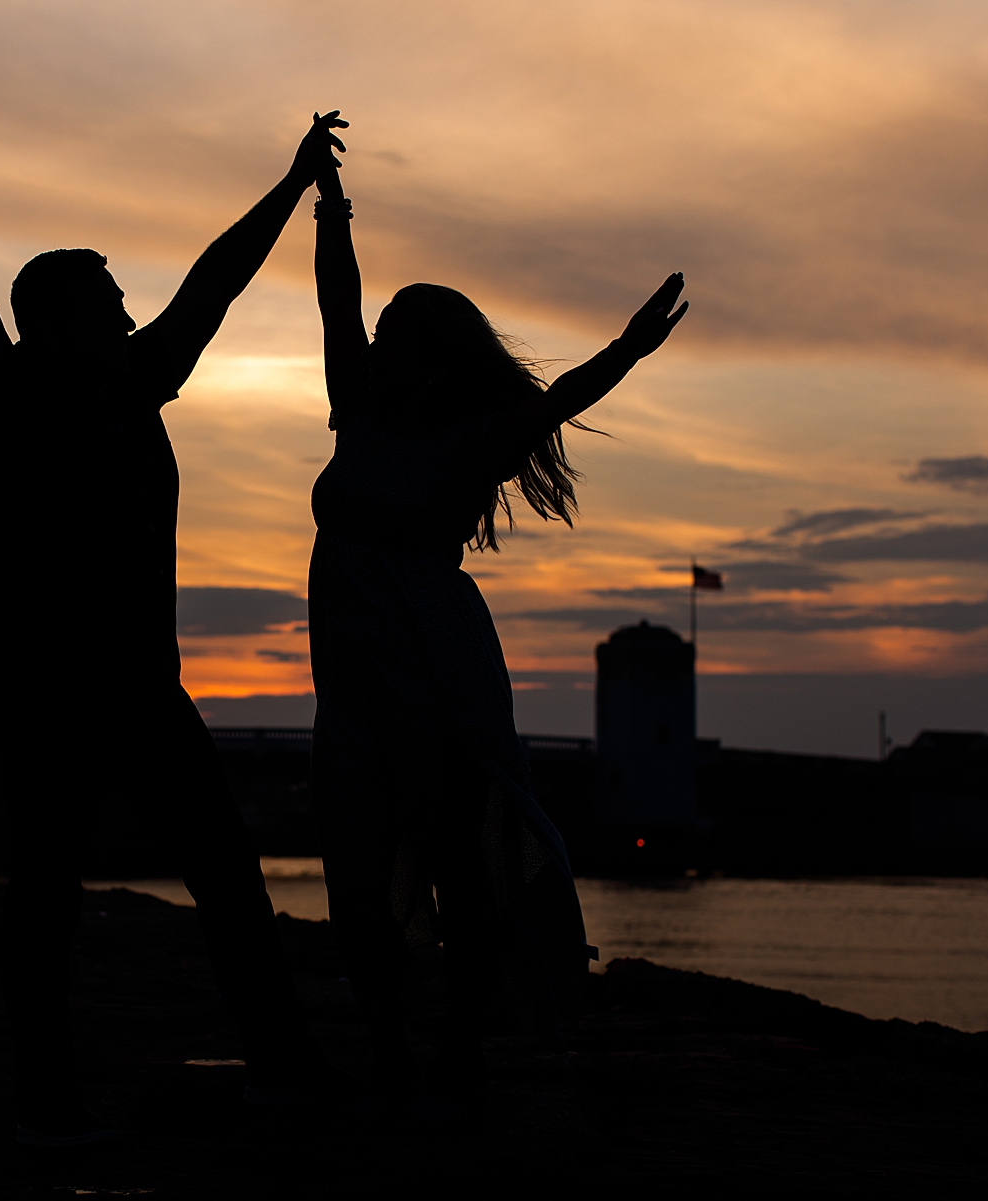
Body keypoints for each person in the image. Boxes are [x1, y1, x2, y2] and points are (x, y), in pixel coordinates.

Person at [0, 78, 345, 1146]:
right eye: (105, 304)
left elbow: (214, 283)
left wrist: (290, 183)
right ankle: (49, 1091)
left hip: (143, 689)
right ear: (52, 324)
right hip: (53, 695)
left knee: (225, 878)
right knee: (47, 891)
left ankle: (281, 1066)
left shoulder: (135, 379)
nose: (128, 316)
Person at [303, 122, 687, 1111]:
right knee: (354, 860)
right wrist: (328, 199)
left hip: (436, 670)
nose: (375, 337)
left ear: (430, 357)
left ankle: (462, 1044)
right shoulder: (360, 408)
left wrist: (630, 348)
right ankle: (389, 1045)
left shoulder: (478, 439)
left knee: (450, 856)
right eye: (379, 328)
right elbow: (334, 298)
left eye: (396, 330)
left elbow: (562, 397)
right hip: (349, 680)